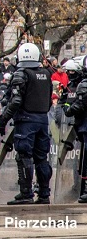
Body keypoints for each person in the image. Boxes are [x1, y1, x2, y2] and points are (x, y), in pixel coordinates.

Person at [0, 42, 53, 204]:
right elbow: (49, 99)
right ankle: (44, 194)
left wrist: (2, 121)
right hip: (42, 120)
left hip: (26, 121)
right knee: (42, 158)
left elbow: (15, 101)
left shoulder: (22, 74)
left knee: (24, 156)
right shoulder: (46, 74)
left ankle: (26, 193)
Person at [62, 57, 87, 202]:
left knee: (85, 159)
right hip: (80, 127)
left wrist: (68, 109)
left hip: (84, 125)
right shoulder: (72, 86)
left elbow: (79, 105)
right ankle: (80, 187)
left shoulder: (83, 85)